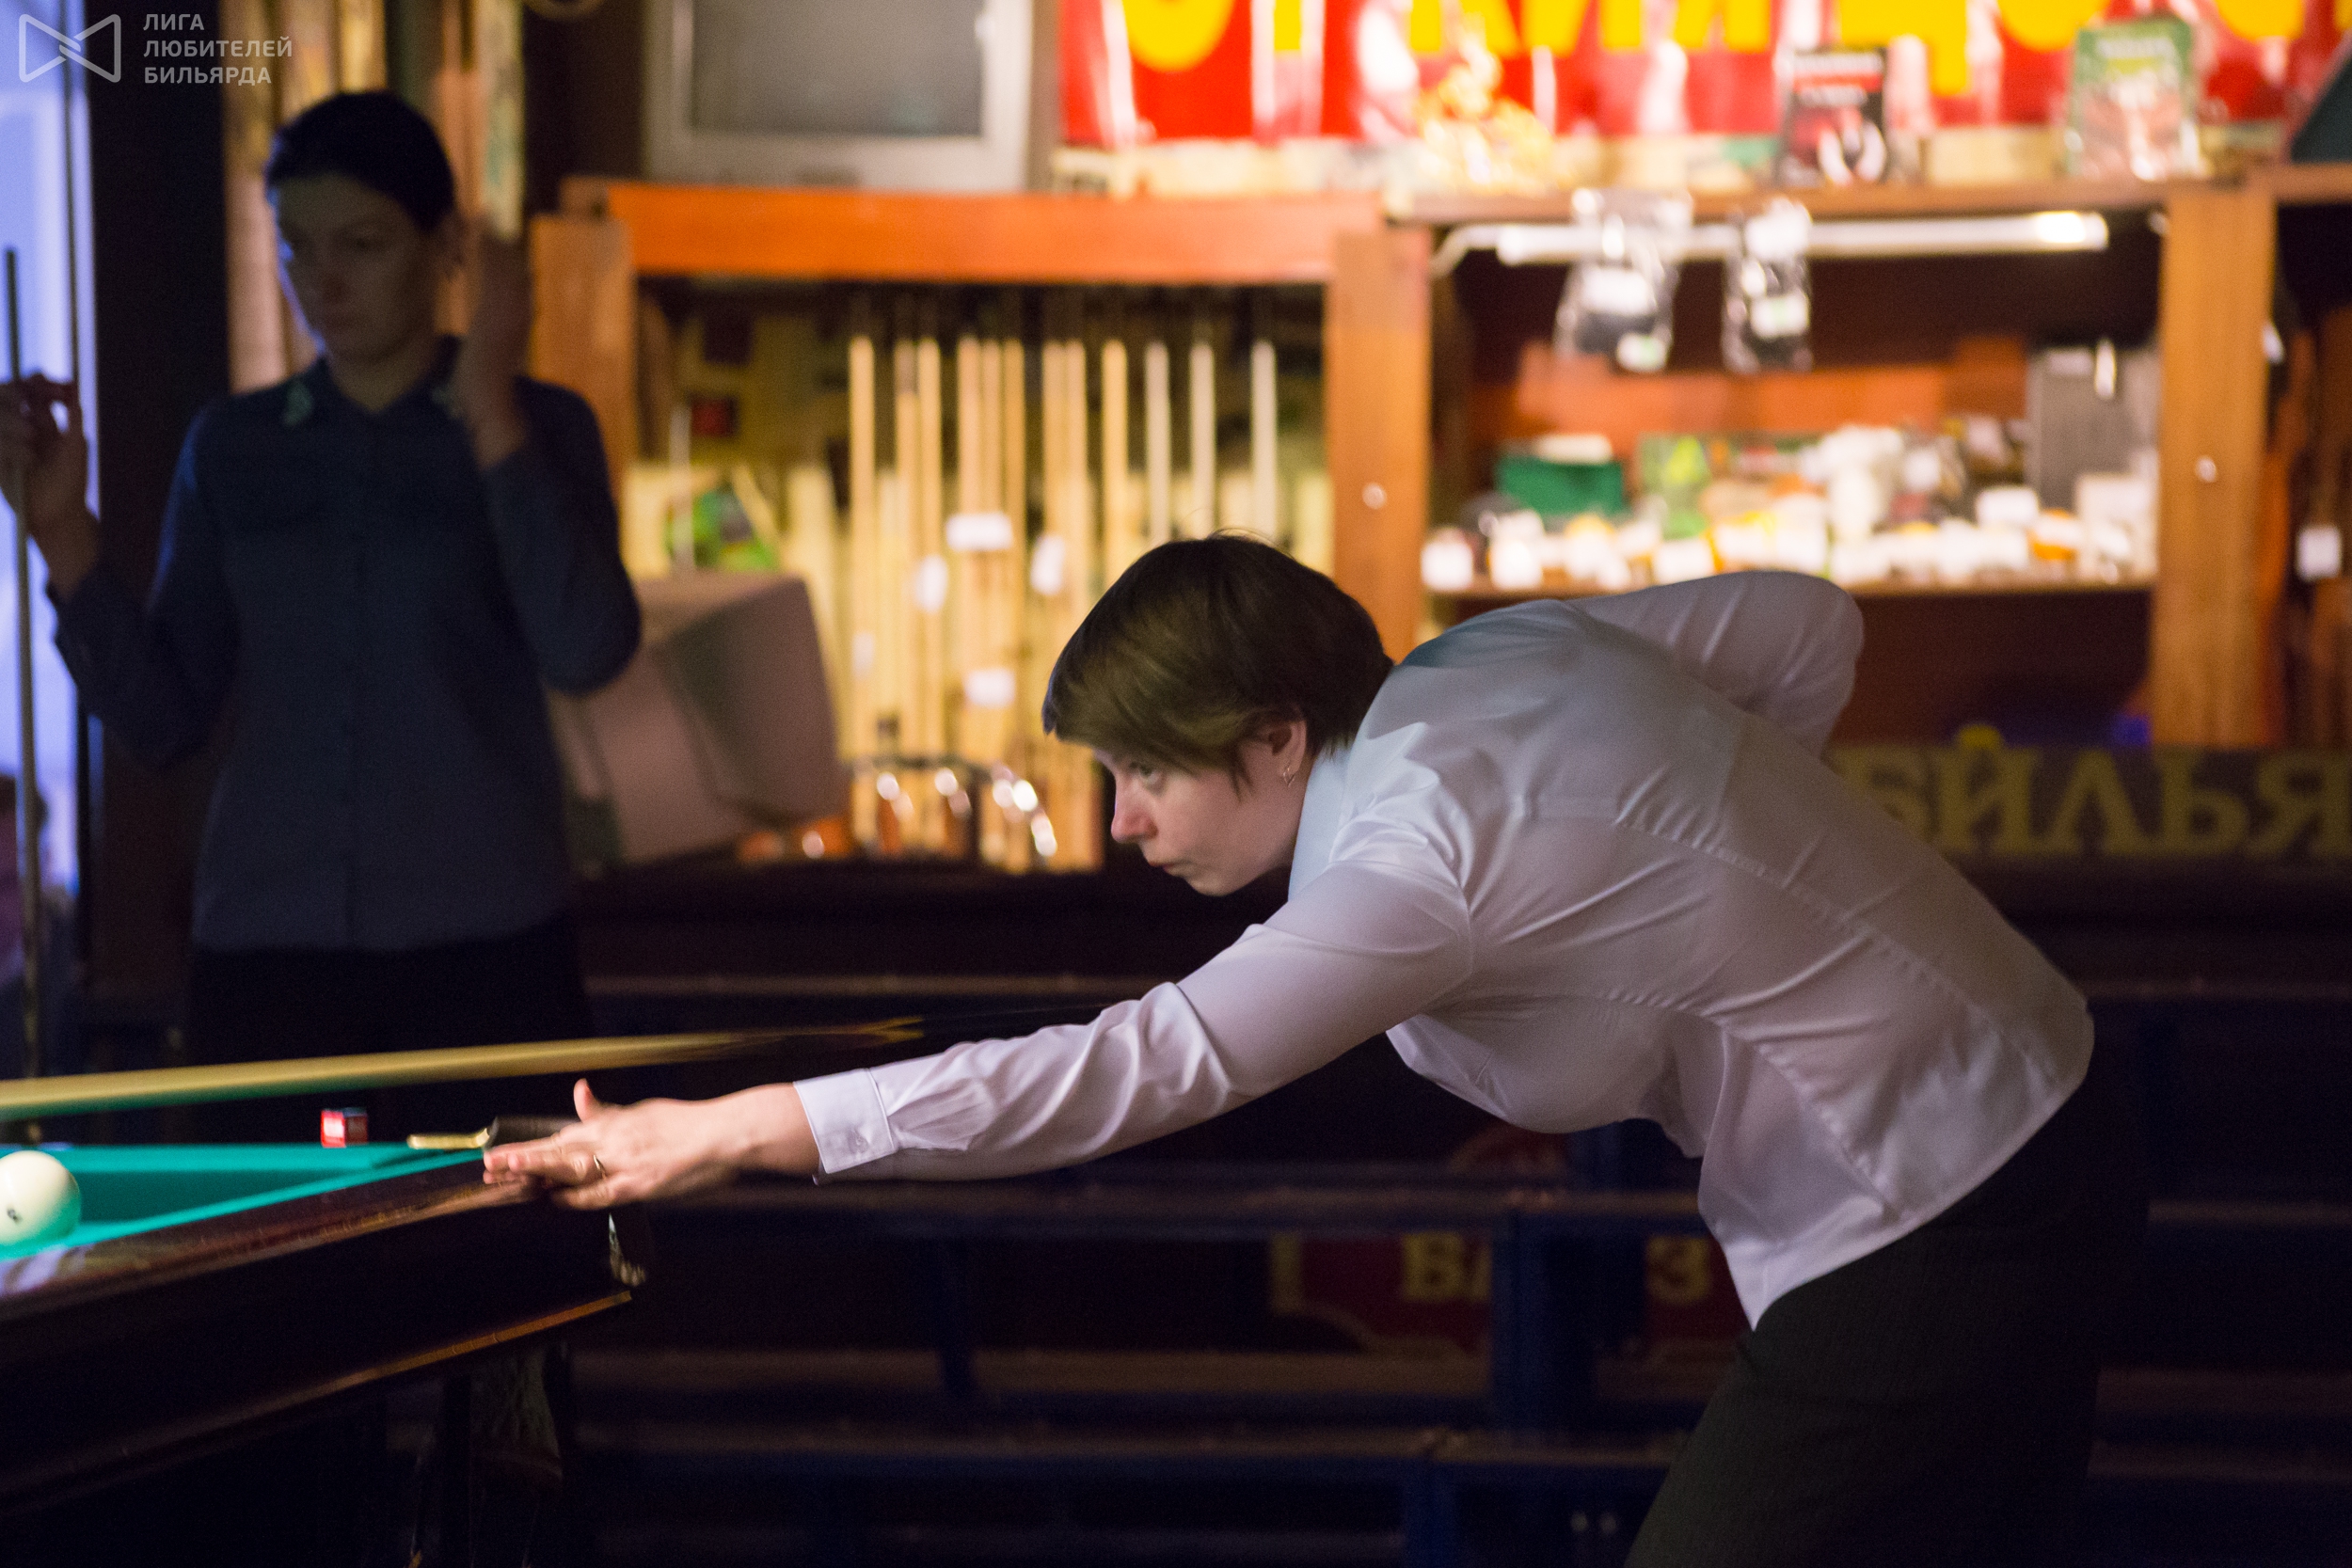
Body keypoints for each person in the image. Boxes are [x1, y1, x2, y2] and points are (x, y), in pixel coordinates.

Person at [485, 536, 2146, 1565]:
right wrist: (1723, 883)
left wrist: (730, 1130)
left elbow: (1127, 1070)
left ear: (1278, 737)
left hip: (1932, 1204)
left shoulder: (1408, 870)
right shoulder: (1501, 654)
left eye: (1148, 773)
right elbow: (1807, 627)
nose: (1124, 822)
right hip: (2051, 1103)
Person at [1, 90, 639, 1567]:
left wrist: (489, 405)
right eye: (299, 248)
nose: (323, 280)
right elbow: (165, 715)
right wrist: (64, 535)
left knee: (511, 1357)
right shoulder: (235, 448)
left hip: (487, 957)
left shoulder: (541, 426)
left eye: (362, 244)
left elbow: (589, 643)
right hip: (271, 962)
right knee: (257, 1360)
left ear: (444, 247)